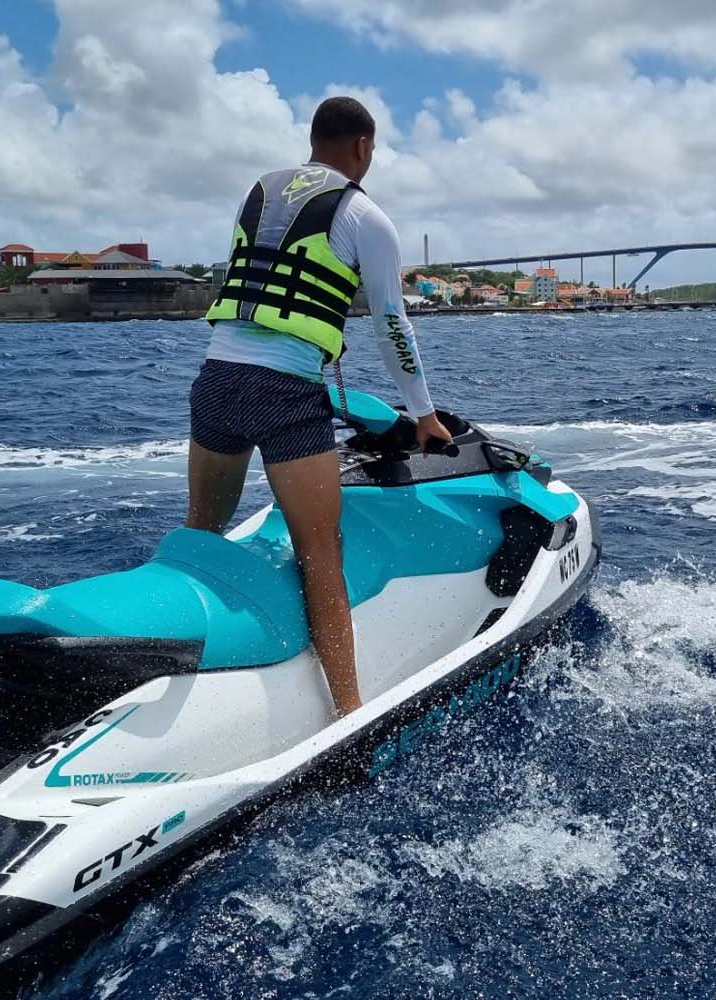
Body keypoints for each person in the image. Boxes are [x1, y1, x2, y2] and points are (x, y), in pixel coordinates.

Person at [186, 96, 452, 718]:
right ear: (363, 147)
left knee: (201, 529)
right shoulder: (365, 215)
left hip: (217, 381)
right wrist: (424, 414)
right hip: (284, 395)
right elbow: (393, 326)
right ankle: (350, 715)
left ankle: (173, 658)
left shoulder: (259, 191)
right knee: (319, 552)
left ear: (312, 140)